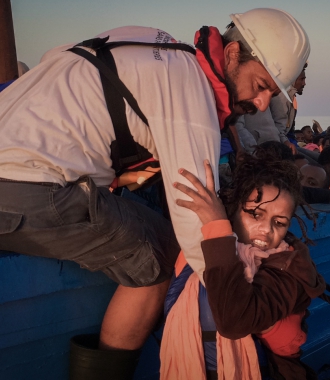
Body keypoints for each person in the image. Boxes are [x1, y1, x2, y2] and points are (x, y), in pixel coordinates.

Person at [0, 8, 310, 378]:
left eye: (270, 94)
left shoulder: (155, 46)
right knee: (160, 252)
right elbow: (194, 221)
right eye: (260, 86)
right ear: (231, 54)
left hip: (20, 170)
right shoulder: (190, 93)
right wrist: (249, 306)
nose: (260, 103)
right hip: (27, 186)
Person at [162, 154, 325, 379]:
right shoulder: (198, 245)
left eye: (279, 223)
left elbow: (234, 322)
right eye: (255, 214)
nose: (266, 229)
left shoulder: (288, 270)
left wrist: (217, 228)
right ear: (232, 210)